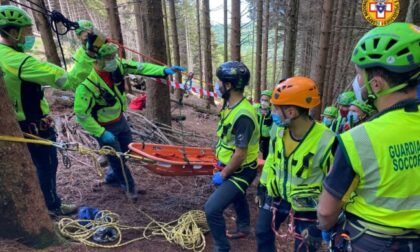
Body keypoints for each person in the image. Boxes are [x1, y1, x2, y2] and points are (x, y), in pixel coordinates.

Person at [317, 22, 420, 251]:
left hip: (372, 241)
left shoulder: (359, 139)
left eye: (359, 76)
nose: (358, 84)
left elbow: (325, 211)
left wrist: (327, 227)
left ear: (377, 84)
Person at [0, 5, 102, 216]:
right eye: (26, 32)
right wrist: (87, 53)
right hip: (31, 125)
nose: (30, 36)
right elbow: (67, 80)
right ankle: (51, 206)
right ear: (11, 32)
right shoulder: (19, 61)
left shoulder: (3, 54)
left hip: (19, 123)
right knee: (46, 166)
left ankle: (37, 207)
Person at [74, 43, 183, 201]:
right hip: (103, 126)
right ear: (96, 60)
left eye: (114, 56)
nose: (114, 60)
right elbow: (82, 115)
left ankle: (111, 177)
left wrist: (163, 70)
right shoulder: (86, 84)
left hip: (120, 120)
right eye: (109, 58)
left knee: (126, 152)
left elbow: (140, 67)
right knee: (117, 159)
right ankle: (129, 187)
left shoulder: (116, 66)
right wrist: (101, 133)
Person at [255, 77, 335, 252]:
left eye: (277, 108)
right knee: (262, 232)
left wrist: (326, 218)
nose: (273, 111)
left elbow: (335, 183)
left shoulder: (327, 141)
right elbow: (272, 159)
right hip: (276, 195)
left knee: (305, 248)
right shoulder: (279, 130)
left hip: (307, 206)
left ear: (291, 112)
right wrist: (263, 184)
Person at [205, 61, 260, 252]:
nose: (218, 85)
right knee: (238, 196)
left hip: (241, 170)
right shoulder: (231, 106)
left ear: (228, 85)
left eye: (220, 82)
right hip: (231, 166)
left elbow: (240, 154)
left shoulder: (243, 115)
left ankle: (221, 247)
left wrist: (225, 174)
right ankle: (244, 226)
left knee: (212, 209)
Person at [254, 89, 273, 160]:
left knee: (266, 152)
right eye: (262, 100)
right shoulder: (256, 108)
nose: (263, 102)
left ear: (270, 101)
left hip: (267, 137)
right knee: (254, 151)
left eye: (266, 100)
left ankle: (265, 165)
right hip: (256, 135)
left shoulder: (273, 111)